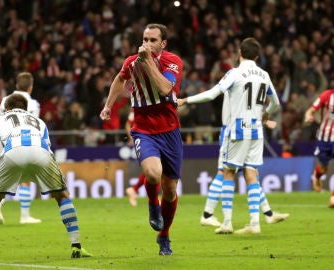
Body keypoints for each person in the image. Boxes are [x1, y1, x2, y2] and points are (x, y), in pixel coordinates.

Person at [178, 37, 280, 234]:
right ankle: (255, 223)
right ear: (257, 56)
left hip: (238, 129)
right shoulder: (264, 74)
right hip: (257, 130)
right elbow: (275, 103)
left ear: (239, 52)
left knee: (227, 172)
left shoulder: (235, 73)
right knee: (251, 173)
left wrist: (186, 99)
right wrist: (265, 113)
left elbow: (211, 94)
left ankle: (226, 222)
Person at [0, 94, 92, 260]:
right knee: (62, 196)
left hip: (12, 152)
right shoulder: (39, 121)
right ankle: (77, 246)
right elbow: (47, 146)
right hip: (41, 153)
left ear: (7, 108)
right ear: (25, 108)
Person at [100, 23, 183, 255]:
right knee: (153, 173)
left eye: (152, 40)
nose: (146, 44)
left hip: (169, 131)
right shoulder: (131, 61)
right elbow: (119, 78)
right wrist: (108, 106)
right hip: (143, 130)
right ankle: (151, 204)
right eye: (145, 39)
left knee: (170, 189)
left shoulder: (172, 61)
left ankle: (164, 235)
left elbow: (166, 88)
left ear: (163, 44)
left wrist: (147, 62)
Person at [198, 93, 289, 227]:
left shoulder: (237, 84)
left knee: (251, 174)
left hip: (240, 130)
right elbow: (240, 113)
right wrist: (262, 121)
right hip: (232, 131)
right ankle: (207, 215)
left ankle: (268, 214)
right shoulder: (235, 85)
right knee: (224, 172)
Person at [0, 72, 41, 225]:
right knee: (25, 179)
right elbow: (35, 126)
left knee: (6, 180)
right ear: (30, 87)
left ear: (16, 85)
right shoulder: (33, 104)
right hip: (23, 142)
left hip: (3, 143)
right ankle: (25, 216)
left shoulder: (3, 101)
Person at [304, 88, 334, 208]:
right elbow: (310, 110)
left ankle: (333, 197)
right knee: (324, 168)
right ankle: (317, 174)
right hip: (324, 138)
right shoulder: (326, 95)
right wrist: (307, 117)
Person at [124, 108, 147, 207]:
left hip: (152, 139)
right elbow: (128, 124)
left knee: (154, 170)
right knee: (152, 169)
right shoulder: (136, 109)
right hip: (144, 140)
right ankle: (135, 190)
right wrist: (131, 139)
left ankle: (134, 190)